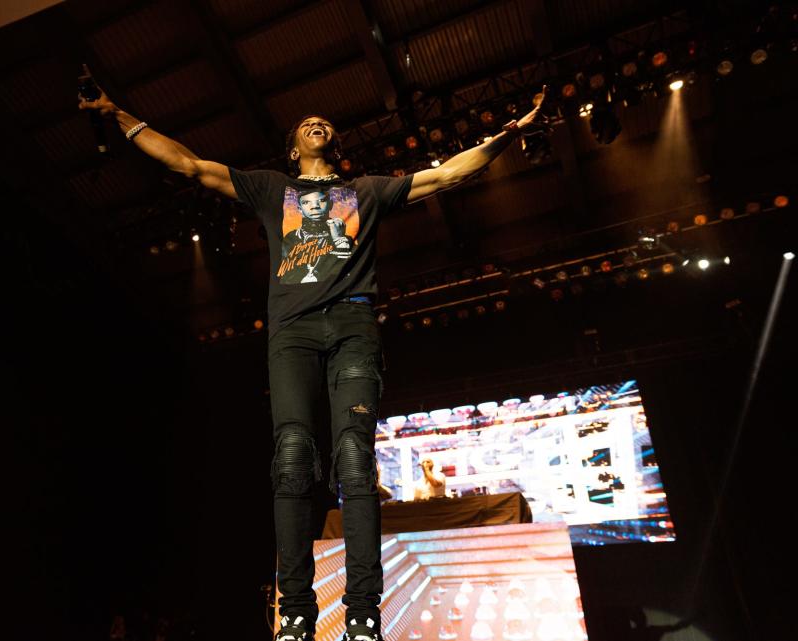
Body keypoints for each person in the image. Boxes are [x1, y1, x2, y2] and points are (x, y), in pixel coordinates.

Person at [80, 84, 548, 641]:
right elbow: (188, 164)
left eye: (324, 121)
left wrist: (506, 136)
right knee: (294, 457)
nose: (316, 122)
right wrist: (118, 114)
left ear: (335, 142)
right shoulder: (271, 189)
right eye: (306, 122)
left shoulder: (365, 192)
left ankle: (363, 614)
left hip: (352, 325)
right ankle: (296, 613)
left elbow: (444, 174)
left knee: (353, 459)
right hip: (293, 333)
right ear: (291, 147)